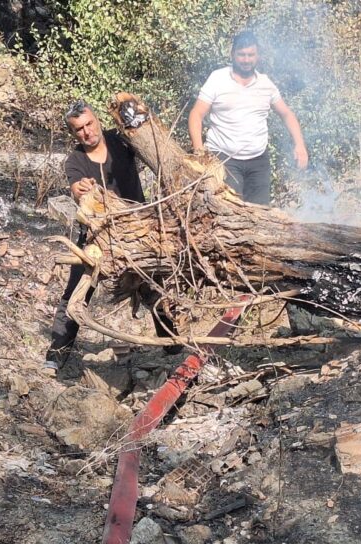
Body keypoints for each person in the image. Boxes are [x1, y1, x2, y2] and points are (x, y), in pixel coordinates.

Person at [43, 100, 179, 377]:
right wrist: (81, 190)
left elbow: (151, 145)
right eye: (79, 129)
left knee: (154, 287)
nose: (87, 132)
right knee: (76, 292)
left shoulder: (120, 141)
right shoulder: (76, 161)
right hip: (97, 238)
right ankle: (56, 356)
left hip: (138, 230)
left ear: (98, 120)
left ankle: (173, 347)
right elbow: (76, 188)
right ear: (73, 133)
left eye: (89, 124)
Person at [189, 30, 309, 205]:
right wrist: (199, 152)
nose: (246, 60)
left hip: (258, 161)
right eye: (242, 54)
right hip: (224, 158)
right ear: (232, 54)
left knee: (260, 212)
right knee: (230, 210)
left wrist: (300, 145)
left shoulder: (266, 84)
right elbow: (196, 114)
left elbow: (287, 114)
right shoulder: (217, 79)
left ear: (258, 56)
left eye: (251, 55)